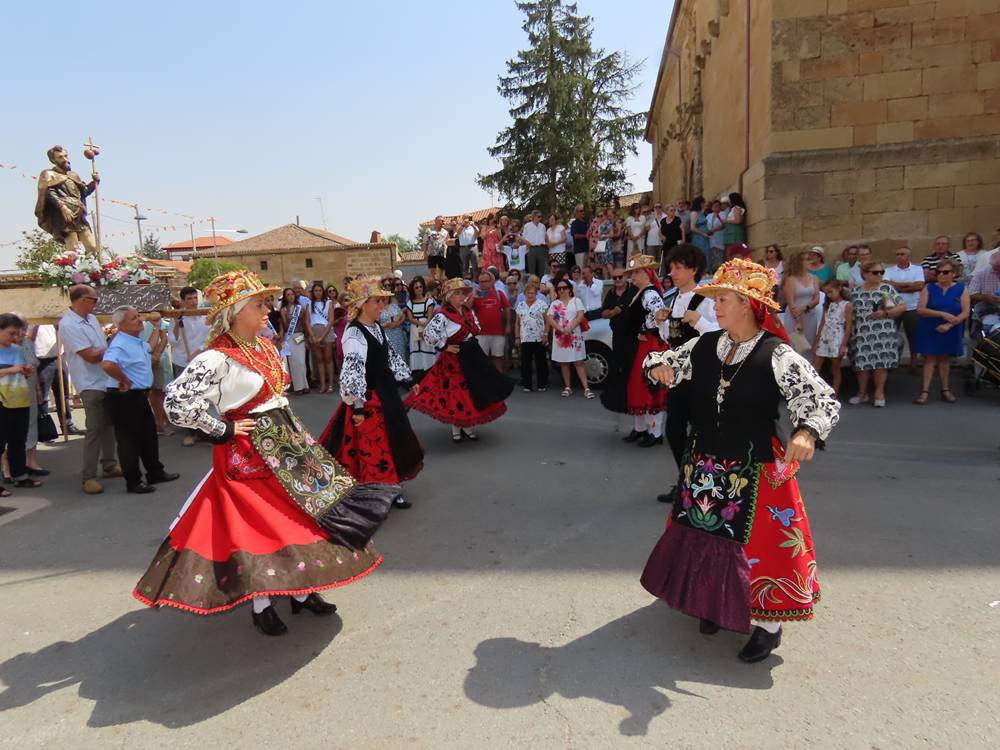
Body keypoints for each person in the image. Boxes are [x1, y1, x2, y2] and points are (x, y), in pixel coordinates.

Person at [135, 270, 395, 636]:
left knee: (305, 515)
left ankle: (302, 593)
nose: (267, 309)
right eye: (259, 304)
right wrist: (220, 429)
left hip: (287, 443)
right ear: (236, 310)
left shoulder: (265, 346)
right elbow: (177, 402)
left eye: (266, 302)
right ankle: (262, 604)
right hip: (249, 454)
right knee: (261, 529)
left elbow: (277, 395)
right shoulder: (216, 358)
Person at [642, 257, 840, 663]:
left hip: (756, 467)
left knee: (759, 547)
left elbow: (821, 398)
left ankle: (769, 626)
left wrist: (807, 431)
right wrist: (660, 368)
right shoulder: (705, 344)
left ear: (749, 304)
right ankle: (713, 601)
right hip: (705, 464)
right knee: (704, 534)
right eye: (715, 299)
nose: (716, 306)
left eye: (724, 299)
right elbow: (665, 362)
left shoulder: (777, 355)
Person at [321, 277, 424, 510]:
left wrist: (408, 379)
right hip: (368, 399)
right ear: (362, 304)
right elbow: (353, 370)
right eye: (377, 301)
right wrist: (357, 406)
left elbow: (390, 356)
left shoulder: (376, 327)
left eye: (383, 301)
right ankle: (379, 495)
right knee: (376, 448)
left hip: (387, 392)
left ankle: (392, 490)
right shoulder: (354, 333)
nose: (382, 306)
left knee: (394, 440)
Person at [405, 279, 514, 443]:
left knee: (472, 390)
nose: (462, 296)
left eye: (463, 293)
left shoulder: (468, 312)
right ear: (449, 296)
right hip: (454, 359)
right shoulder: (442, 315)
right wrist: (444, 346)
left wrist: (470, 328)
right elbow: (428, 334)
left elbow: (477, 328)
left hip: (471, 355)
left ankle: (467, 427)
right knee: (457, 393)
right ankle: (457, 428)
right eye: (458, 293)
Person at [653, 244, 718, 504]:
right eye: (672, 268)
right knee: (674, 430)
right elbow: (671, 339)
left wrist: (699, 321)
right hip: (678, 374)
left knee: (702, 432)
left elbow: (721, 335)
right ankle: (685, 480)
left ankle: (702, 483)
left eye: (679, 268)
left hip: (702, 375)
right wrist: (660, 322)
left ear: (694, 270)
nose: (673, 273)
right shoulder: (674, 299)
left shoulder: (707, 300)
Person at [100, 306, 180, 494]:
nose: (139, 320)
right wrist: (124, 379)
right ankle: (133, 481)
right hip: (125, 397)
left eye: (138, 316)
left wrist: (158, 329)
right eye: (134, 318)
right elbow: (107, 364)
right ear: (121, 324)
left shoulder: (134, 340)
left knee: (148, 436)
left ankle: (155, 472)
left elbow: (150, 348)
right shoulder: (120, 343)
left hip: (139, 395)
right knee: (129, 441)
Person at [600, 254, 668, 447]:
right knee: (637, 386)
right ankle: (641, 429)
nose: (633, 277)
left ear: (647, 273)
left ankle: (654, 432)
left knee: (649, 387)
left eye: (637, 272)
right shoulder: (642, 292)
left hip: (650, 346)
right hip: (638, 345)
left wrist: (647, 329)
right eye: (632, 273)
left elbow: (660, 314)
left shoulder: (650, 293)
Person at [59, 284, 122, 494]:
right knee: (94, 428)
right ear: (82, 299)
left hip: (105, 380)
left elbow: (99, 349)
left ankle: (109, 464)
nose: (96, 303)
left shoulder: (92, 319)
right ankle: (88, 476)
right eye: (93, 299)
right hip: (89, 382)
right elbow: (91, 356)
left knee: (109, 425)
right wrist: (115, 344)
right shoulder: (68, 324)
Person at [848, 261, 906, 407]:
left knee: (880, 363)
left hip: (882, 332)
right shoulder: (856, 292)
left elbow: (901, 306)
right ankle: (862, 393)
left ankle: (879, 393)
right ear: (865, 274)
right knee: (862, 365)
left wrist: (885, 312)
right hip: (861, 332)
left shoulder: (886, 289)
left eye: (881, 272)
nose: (879, 275)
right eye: (875, 272)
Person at [914, 259, 970, 404]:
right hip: (931, 326)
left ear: (954, 274)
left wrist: (950, 325)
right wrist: (941, 314)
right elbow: (921, 309)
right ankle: (924, 391)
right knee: (930, 359)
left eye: (945, 272)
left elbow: (965, 312)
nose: (941, 275)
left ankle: (945, 389)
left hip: (952, 327)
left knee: (945, 359)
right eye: (938, 272)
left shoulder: (961, 288)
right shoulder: (929, 288)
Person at [0, 314, 42, 494]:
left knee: (18, 439)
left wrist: (26, 370)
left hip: (20, 398)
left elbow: (23, 369)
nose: (15, 338)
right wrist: (12, 369)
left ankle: (20, 475)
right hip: (2, 400)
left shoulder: (17, 350)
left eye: (19, 334)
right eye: (11, 334)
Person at [34, 145, 99, 252]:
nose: (65, 159)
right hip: (64, 215)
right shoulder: (49, 174)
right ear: (53, 160)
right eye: (60, 157)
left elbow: (84, 192)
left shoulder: (73, 175)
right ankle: (73, 267)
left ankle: (95, 267)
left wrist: (94, 183)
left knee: (92, 247)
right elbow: (48, 192)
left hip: (79, 214)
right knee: (73, 247)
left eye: (66, 156)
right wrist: (62, 207)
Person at [172, 286, 212, 446]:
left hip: (202, 360)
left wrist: (198, 351)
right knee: (187, 398)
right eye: (189, 299)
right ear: (183, 301)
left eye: (195, 298)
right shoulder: (179, 317)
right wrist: (176, 323)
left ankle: (207, 432)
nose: (193, 302)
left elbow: (210, 337)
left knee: (205, 396)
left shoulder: (205, 316)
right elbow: (173, 341)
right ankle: (192, 432)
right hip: (183, 361)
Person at [547, 278, 593, 399]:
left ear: (569, 289)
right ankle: (568, 387)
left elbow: (580, 315)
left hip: (574, 336)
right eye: (559, 288)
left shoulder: (576, 301)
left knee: (579, 362)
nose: (562, 290)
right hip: (560, 336)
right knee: (564, 363)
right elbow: (550, 318)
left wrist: (570, 327)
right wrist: (560, 329)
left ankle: (586, 388)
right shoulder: (554, 303)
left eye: (565, 288)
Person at [883, 247, 926, 373]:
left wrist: (897, 287)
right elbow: (886, 286)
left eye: (902, 254)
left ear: (909, 256)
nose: (899, 256)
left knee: (913, 336)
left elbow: (919, 285)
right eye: (897, 254)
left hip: (912, 307)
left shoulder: (917, 269)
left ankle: (914, 363)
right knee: (890, 335)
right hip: (893, 308)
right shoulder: (888, 270)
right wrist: (908, 286)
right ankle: (890, 362)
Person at [813, 280, 852, 396]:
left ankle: (834, 393)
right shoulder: (828, 304)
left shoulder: (846, 305)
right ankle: (814, 391)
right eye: (826, 293)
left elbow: (849, 325)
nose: (829, 295)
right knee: (815, 367)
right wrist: (817, 340)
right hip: (825, 336)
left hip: (837, 338)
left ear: (839, 288)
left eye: (830, 292)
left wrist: (844, 345)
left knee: (835, 368)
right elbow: (822, 323)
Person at [139, 309, 174, 434]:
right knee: (146, 394)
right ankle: (153, 422)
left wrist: (157, 354)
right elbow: (147, 346)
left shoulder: (161, 324)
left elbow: (164, 338)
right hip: (144, 362)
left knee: (158, 392)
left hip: (157, 361)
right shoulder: (141, 324)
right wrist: (153, 355)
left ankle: (160, 422)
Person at [781, 250, 822, 349]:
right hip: (794, 317)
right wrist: (798, 321)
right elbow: (791, 303)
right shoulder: (790, 279)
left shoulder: (814, 278)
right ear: (799, 262)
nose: (811, 262)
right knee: (798, 347)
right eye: (807, 259)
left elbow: (817, 298)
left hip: (810, 315)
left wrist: (805, 307)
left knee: (809, 345)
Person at [472, 271, 511, 373]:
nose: (483, 283)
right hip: (481, 333)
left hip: (498, 332)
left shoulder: (499, 294)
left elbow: (507, 309)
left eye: (485, 281)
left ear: (491, 282)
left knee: (498, 358)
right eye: (481, 281)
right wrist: (473, 296)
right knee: (482, 359)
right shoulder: (475, 295)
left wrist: (508, 325)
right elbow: (466, 308)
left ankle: (499, 381)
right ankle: (484, 382)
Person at [514, 282, 549, 392]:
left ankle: (541, 384)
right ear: (524, 294)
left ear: (536, 294)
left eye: (532, 293)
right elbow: (517, 323)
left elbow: (547, 321)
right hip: (525, 338)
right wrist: (517, 337)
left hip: (539, 337)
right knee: (525, 362)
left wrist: (546, 334)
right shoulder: (520, 306)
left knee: (541, 362)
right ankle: (527, 385)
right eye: (528, 293)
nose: (530, 295)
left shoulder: (542, 304)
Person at [279, 287, 310, 394]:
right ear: (285, 297)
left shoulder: (300, 308)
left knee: (301, 361)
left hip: (300, 335)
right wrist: (287, 318)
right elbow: (285, 325)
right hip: (290, 336)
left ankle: (304, 385)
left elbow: (305, 323)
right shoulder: (283, 310)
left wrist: (308, 337)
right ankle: (298, 387)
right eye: (288, 295)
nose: (290, 296)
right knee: (294, 362)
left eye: (292, 294)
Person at [307, 282, 336, 393]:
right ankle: (323, 384)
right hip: (315, 331)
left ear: (322, 292)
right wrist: (312, 336)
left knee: (328, 359)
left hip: (326, 330)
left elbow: (331, 320)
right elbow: (307, 321)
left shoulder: (328, 303)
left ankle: (330, 384)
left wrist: (322, 336)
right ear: (313, 292)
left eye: (319, 290)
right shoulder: (310, 304)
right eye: (315, 291)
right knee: (319, 360)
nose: (318, 293)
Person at [404, 276, 437, 375]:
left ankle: (429, 372)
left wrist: (424, 324)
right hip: (415, 329)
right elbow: (410, 318)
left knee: (426, 348)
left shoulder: (429, 301)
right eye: (416, 287)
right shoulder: (410, 303)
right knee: (416, 348)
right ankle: (418, 374)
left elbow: (430, 316)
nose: (419, 289)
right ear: (413, 290)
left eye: (420, 286)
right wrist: (420, 323)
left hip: (426, 328)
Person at [378, 277, 408, 363]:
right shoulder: (378, 309)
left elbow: (402, 317)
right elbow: (375, 325)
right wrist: (386, 324)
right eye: (385, 285)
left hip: (398, 335)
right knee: (389, 359)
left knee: (401, 356)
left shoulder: (394, 305)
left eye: (389, 285)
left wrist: (398, 323)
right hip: (386, 336)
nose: (386, 298)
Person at [969, 251, 1000, 330]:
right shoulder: (982, 273)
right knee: (990, 327)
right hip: (988, 309)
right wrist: (985, 297)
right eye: (995, 267)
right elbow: (971, 293)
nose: (997, 270)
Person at [657, 204, 684, 273]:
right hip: (666, 244)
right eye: (671, 210)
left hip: (675, 243)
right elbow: (659, 232)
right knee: (667, 260)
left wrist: (683, 240)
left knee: (676, 260)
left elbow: (682, 230)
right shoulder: (663, 220)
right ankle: (669, 275)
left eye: (674, 210)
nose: (673, 212)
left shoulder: (677, 219)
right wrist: (662, 236)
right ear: (667, 211)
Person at [522, 210, 548, 278]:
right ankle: (532, 286)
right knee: (532, 270)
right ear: (533, 217)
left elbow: (545, 237)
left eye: (541, 217)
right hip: (531, 249)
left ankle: (541, 285)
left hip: (541, 248)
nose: (540, 218)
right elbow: (523, 237)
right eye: (539, 216)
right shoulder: (527, 226)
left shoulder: (542, 226)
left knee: (541, 270)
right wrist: (527, 243)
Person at [423, 215, 449, 282]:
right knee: (432, 271)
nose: (443, 222)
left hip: (442, 254)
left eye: (443, 221)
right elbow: (425, 242)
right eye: (442, 221)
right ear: (436, 221)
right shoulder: (429, 230)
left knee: (442, 272)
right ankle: (433, 285)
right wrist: (425, 253)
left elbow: (448, 243)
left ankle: (440, 285)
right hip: (431, 254)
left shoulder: (446, 232)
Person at [687, 196, 712, 263]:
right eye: (703, 203)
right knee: (700, 254)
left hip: (705, 237)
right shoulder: (694, 213)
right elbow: (692, 227)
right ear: (700, 203)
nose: (704, 204)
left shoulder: (701, 213)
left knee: (706, 254)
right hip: (699, 238)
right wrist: (704, 234)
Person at [705, 199, 727, 273]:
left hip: (719, 238)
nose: (716, 207)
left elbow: (723, 225)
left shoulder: (723, 214)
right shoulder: (709, 216)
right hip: (710, 240)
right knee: (711, 257)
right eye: (714, 206)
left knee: (719, 257)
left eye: (717, 205)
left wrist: (712, 230)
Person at [570, 205, 590, 270]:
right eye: (581, 211)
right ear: (576, 212)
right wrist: (585, 236)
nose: (583, 212)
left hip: (587, 249)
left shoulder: (586, 223)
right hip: (579, 250)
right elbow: (575, 235)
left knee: (587, 270)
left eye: (584, 211)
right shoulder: (575, 223)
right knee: (580, 270)